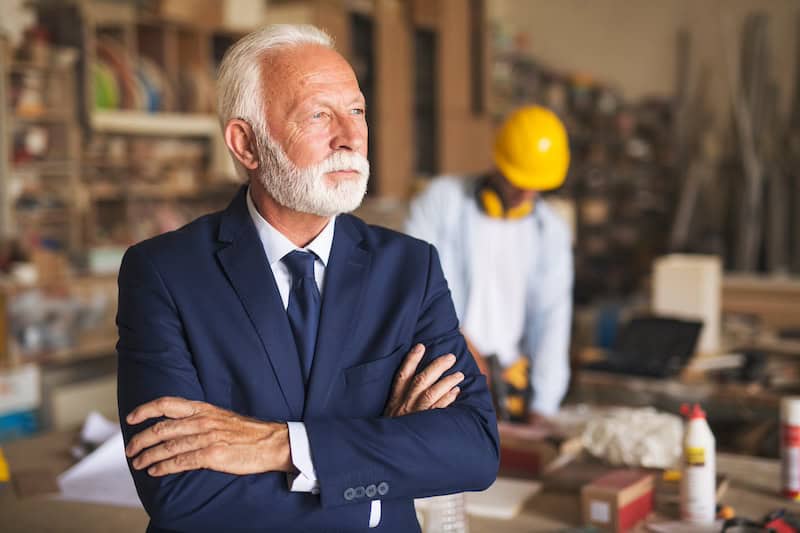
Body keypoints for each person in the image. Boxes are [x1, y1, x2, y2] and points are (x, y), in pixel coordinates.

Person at [117, 24, 498, 533]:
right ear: (247, 144)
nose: (351, 137)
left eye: (357, 111)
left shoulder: (410, 268)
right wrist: (379, 465)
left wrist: (280, 446)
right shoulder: (164, 273)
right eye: (319, 115)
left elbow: (473, 449)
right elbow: (179, 491)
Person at [405, 105, 573, 422]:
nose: (526, 192)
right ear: (498, 161)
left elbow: (553, 319)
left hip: (508, 381)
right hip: (442, 373)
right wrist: (463, 349)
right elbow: (413, 288)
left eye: (535, 185)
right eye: (517, 180)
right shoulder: (442, 201)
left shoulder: (550, 231)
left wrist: (543, 406)